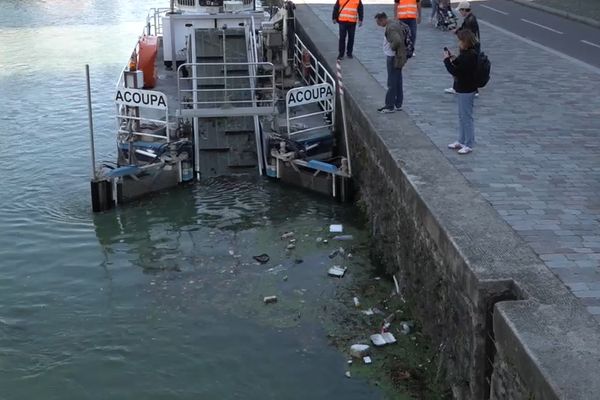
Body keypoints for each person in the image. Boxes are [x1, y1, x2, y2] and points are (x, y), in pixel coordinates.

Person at [443, 30, 478, 154]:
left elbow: (456, 72)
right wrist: (453, 58)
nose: (458, 43)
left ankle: (468, 143)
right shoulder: (467, 54)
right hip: (463, 88)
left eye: (460, 40)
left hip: (467, 89)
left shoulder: (469, 55)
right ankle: (461, 140)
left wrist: (446, 61)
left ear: (465, 42)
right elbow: (460, 65)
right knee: (462, 116)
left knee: (466, 117)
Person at [374, 12, 410, 113]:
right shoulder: (394, 23)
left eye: (378, 22)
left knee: (392, 82)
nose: (378, 25)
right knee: (398, 81)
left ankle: (389, 105)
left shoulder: (390, 28)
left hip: (393, 57)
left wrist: (392, 47)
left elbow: (397, 41)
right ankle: (398, 104)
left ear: (382, 20)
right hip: (399, 56)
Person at [445, 1, 480, 93]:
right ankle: (457, 87)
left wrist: (457, 32)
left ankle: (460, 88)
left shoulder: (470, 20)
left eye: (461, 10)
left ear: (465, 10)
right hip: (471, 46)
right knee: (466, 67)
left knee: (464, 68)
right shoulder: (470, 18)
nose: (460, 13)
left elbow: (467, 35)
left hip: (469, 47)